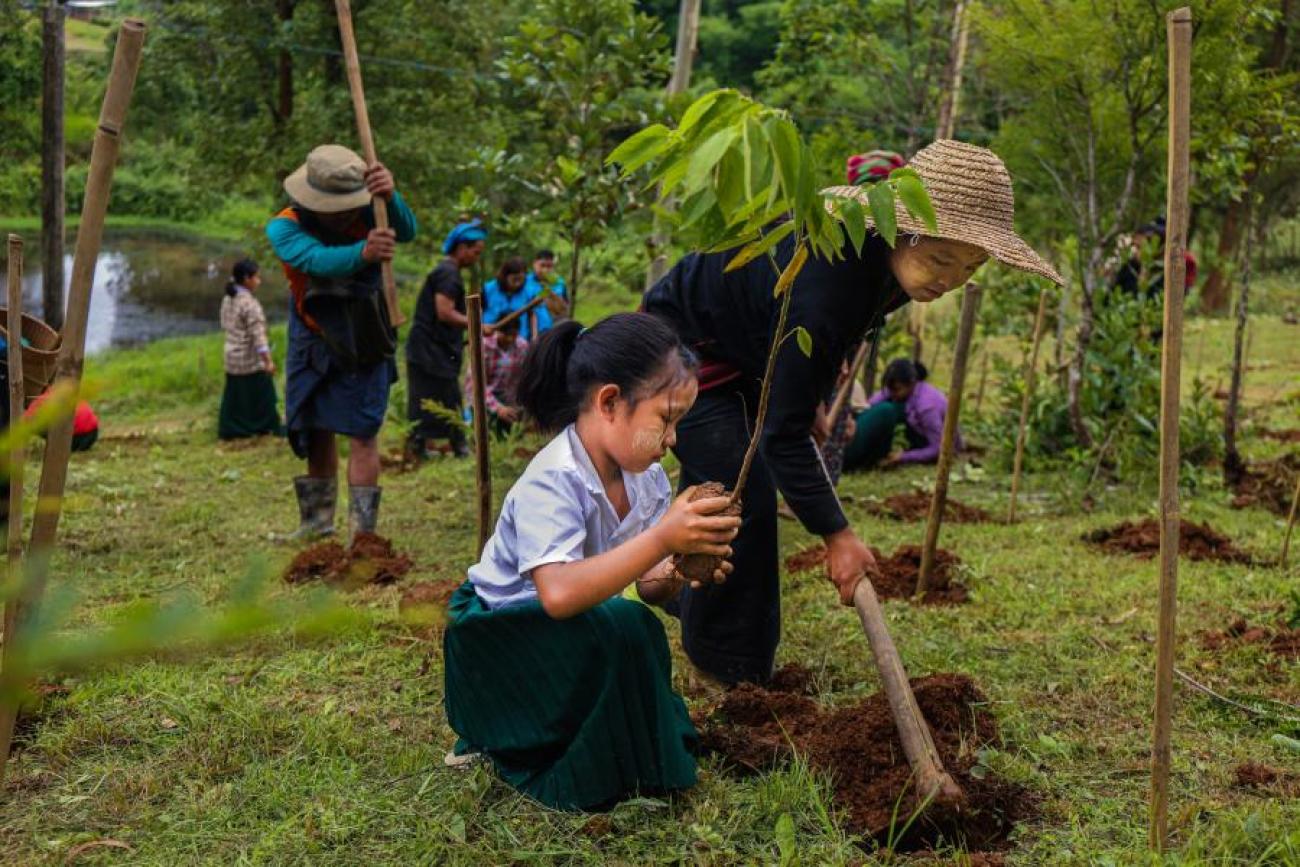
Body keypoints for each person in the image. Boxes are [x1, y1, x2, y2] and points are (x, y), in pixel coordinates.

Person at [644, 139, 1064, 686]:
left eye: (967, 268)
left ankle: (685, 595)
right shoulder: (831, 281)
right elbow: (783, 434)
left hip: (752, 351)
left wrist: (811, 395)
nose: (947, 280)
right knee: (738, 496)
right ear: (903, 231)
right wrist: (838, 537)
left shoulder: (886, 265)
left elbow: (827, 345)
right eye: (939, 259)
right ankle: (729, 674)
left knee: (739, 493)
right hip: (687, 352)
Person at [443, 312, 740, 811]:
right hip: (493, 640)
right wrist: (664, 536)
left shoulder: (646, 480)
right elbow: (557, 595)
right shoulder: (554, 479)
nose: (674, 441)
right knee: (624, 625)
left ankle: (623, 751)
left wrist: (678, 568)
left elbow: (646, 584)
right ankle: (504, 731)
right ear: (609, 402)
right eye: (665, 419)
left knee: (629, 622)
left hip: (558, 631)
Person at [266, 144, 418, 541]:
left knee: (363, 431)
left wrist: (391, 196)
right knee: (315, 425)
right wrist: (364, 252)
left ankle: (362, 534)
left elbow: (408, 230)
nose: (349, 212)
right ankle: (316, 523)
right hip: (311, 336)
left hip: (365, 335)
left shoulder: (374, 211)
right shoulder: (284, 227)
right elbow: (315, 260)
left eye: (355, 202)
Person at [406, 220, 486, 459]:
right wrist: (477, 326)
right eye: (475, 251)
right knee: (442, 396)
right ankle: (454, 445)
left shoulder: (447, 272)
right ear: (461, 247)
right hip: (429, 350)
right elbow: (445, 312)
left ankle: (428, 445)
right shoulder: (448, 274)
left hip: (433, 347)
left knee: (433, 396)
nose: (475, 257)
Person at [844, 358, 957, 471]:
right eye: (890, 390)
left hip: (932, 442)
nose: (893, 394)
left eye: (897, 390)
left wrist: (903, 457)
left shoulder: (927, 407)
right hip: (916, 435)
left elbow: (938, 448)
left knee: (887, 409)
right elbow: (873, 404)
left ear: (912, 383)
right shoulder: (898, 392)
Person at [217, 258, 283, 440]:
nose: (259, 281)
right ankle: (264, 426)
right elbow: (258, 337)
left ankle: (233, 427)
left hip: (231, 355)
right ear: (246, 279)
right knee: (263, 394)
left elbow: (224, 324)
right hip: (249, 358)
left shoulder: (228, 299)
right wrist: (268, 361)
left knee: (236, 396)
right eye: (257, 277)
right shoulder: (249, 304)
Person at [463, 314, 527, 435]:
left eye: (513, 335)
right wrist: (498, 408)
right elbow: (475, 385)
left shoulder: (522, 347)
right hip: (484, 397)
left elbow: (525, 378)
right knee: (487, 432)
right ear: (497, 332)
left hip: (508, 396)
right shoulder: (483, 347)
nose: (509, 339)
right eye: (506, 335)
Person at [480, 257, 533, 340]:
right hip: (490, 339)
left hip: (519, 341)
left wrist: (534, 337)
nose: (518, 283)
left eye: (521, 279)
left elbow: (532, 315)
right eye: (515, 279)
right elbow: (479, 311)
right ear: (505, 276)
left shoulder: (528, 291)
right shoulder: (488, 289)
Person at [522, 248, 569, 337]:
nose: (545, 270)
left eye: (549, 266)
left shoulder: (559, 283)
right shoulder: (524, 282)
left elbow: (565, 307)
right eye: (542, 265)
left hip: (553, 331)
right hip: (528, 333)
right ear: (534, 264)